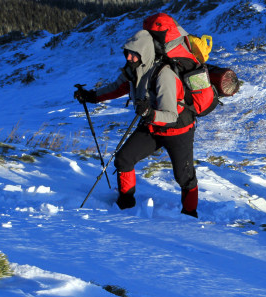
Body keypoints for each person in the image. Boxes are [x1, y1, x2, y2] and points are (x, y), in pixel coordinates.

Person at [74, 29, 199, 217]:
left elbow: (171, 115)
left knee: (184, 177)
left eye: (135, 54)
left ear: (146, 53)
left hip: (177, 130)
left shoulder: (164, 75)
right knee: (124, 159)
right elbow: (116, 88)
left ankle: (190, 215)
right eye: (128, 53)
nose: (130, 57)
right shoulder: (133, 71)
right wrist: (91, 96)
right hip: (152, 127)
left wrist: (149, 113)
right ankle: (125, 205)